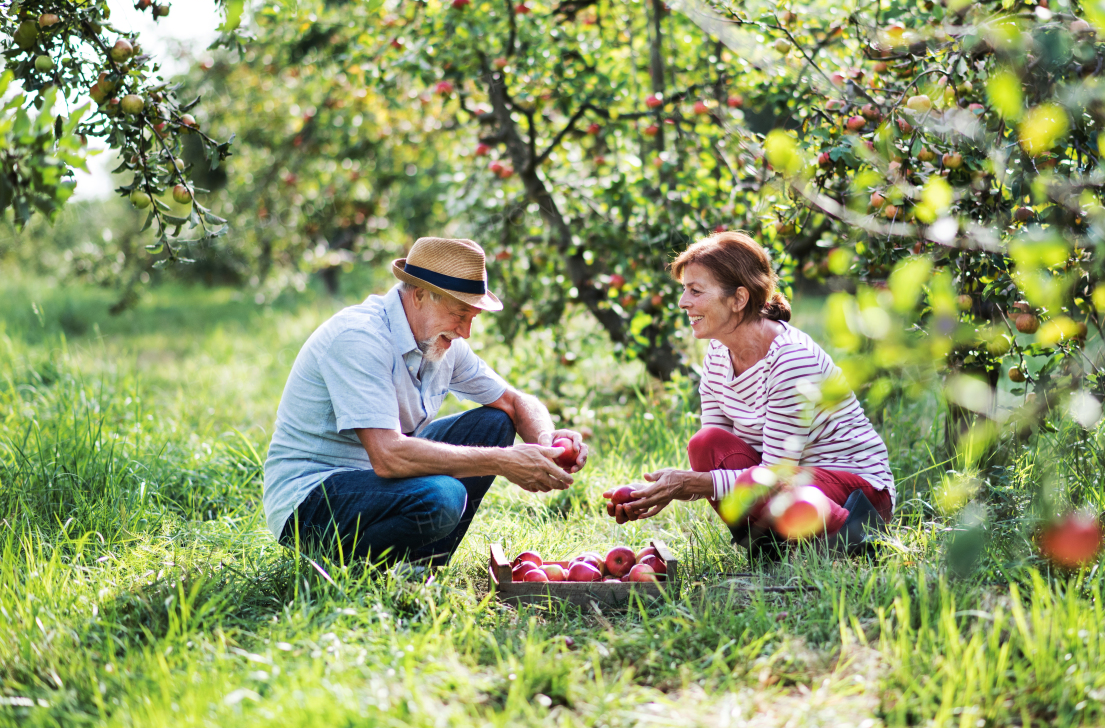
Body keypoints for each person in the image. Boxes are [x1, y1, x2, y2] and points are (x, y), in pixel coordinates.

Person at [263, 237, 587, 569]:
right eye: (460, 314)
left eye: (472, 317)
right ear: (419, 295)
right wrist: (504, 461)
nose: (466, 331)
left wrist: (547, 445)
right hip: (310, 501)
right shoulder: (359, 338)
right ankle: (351, 570)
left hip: (377, 483)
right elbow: (388, 457)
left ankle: (421, 568)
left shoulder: (441, 340)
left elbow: (516, 402)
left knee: (495, 422)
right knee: (442, 497)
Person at [609, 231, 893, 556]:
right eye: (684, 290)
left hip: (856, 495)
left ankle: (858, 544)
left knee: (759, 483)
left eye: (695, 291)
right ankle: (772, 548)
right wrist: (655, 491)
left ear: (739, 299)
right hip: (788, 484)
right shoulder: (718, 354)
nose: (682, 302)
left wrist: (688, 484)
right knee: (706, 444)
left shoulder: (789, 359)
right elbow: (714, 458)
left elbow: (773, 475)